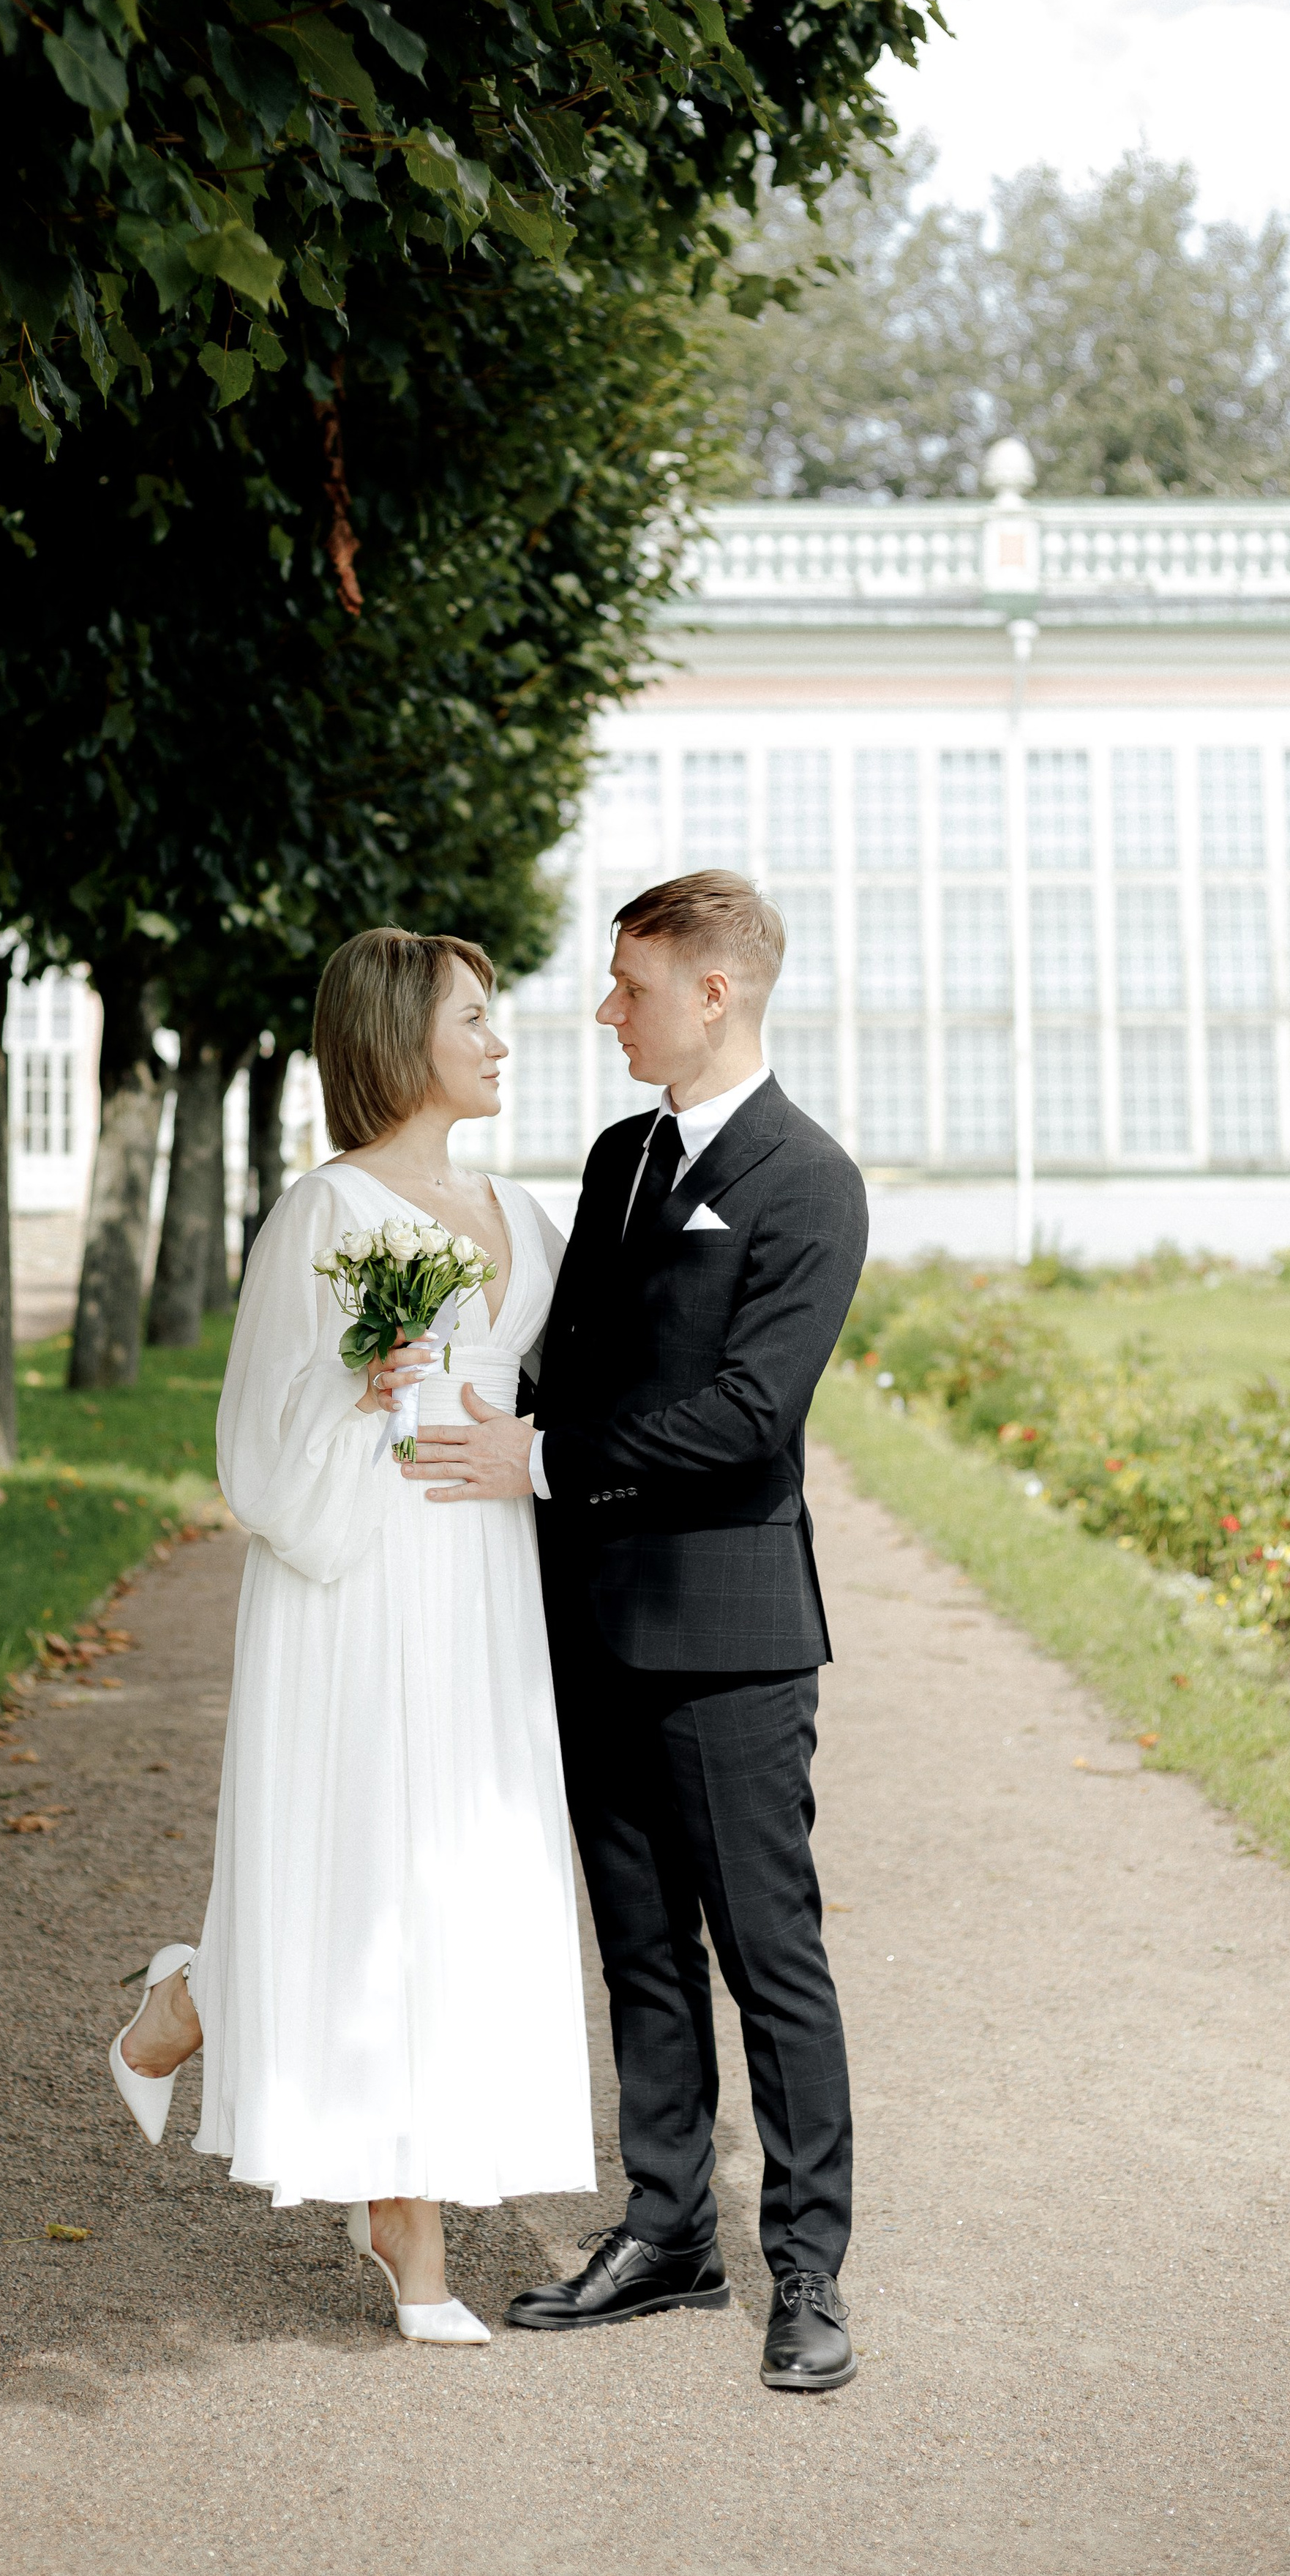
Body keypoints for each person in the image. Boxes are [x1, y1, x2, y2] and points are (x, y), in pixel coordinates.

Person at [407, 869, 869, 2393]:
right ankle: (668, 2231)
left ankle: (807, 2270)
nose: (607, 1010)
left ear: (712, 993)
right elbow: (563, 1359)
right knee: (640, 1952)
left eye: (631, 984)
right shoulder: (617, 1160)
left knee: (769, 1959)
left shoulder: (810, 1181)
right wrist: (429, 1379)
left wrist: (541, 1459)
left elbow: (749, 1417)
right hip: (590, 1623)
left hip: (730, 1637)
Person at [108, 927, 593, 2345]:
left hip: (486, 1572)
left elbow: (571, 1387)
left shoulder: (524, 1212)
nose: (499, 1040)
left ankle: (194, 1996)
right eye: (471, 1017)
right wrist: (361, 1390)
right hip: (361, 1572)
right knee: (372, 1853)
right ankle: (404, 2217)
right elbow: (256, 1443)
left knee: (467, 1863)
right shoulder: (322, 1211)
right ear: (394, 1036)